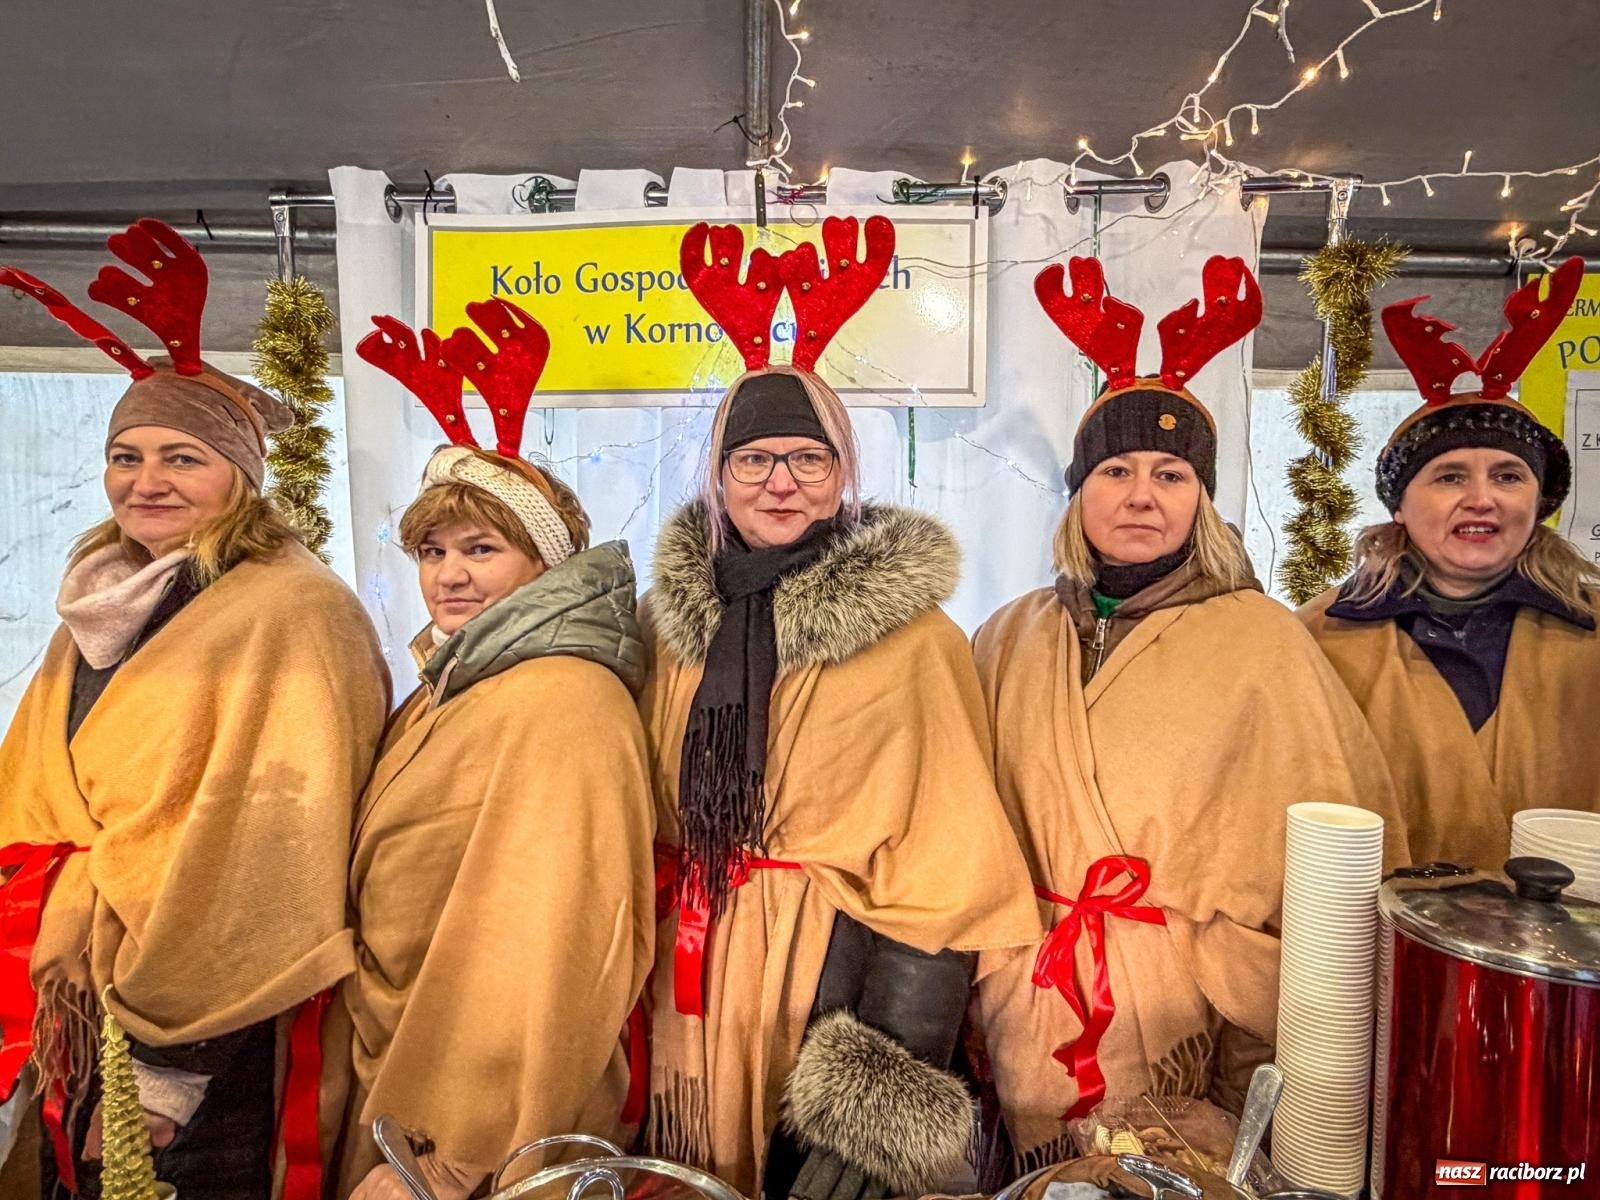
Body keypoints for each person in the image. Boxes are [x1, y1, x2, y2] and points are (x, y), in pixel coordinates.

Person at [973, 256, 1405, 1173]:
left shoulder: (1264, 642)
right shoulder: (1010, 634)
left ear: (1202, 499)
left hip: (1189, 1009)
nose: (1141, 494)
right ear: (1078, 492)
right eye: (1117, 469)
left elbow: (1328, 857)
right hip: (1024, 991)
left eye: (1171, 475)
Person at [640, 218, 1041, 1200]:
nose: (780, 481)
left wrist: (874, 1102)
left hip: (828, 979)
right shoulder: (668, 631)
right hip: (683, 978)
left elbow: (942, 879)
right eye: (754, 460)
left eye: (806, 460)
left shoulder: (912, 641)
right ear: (718, 477)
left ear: (842, 474)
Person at [0, 221, 389, 1198]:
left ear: (241, 479)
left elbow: (273, 841)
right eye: (126, 456)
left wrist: (175, 1068)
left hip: (208, 1006)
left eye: (182, 458)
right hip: (81, 977)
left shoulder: (292, 610)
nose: (147, 481)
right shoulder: (100, 599)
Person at [329, 299, 656, 1200]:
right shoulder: (461, 680)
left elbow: (548, 948)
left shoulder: (563, 701)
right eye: (432, 551)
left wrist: (452, 1154)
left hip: (477, 1131)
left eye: (481, 548)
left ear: (543, 566)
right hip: (403, 1075)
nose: (450, 575)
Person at [1301, 257, 1600, 869]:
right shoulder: (1315, 638)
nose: (1482, 498)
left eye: (1508, 476)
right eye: (1449, 476)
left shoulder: (1593, 633)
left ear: (1538, 502)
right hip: (1372, 945)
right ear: (1401, 505)